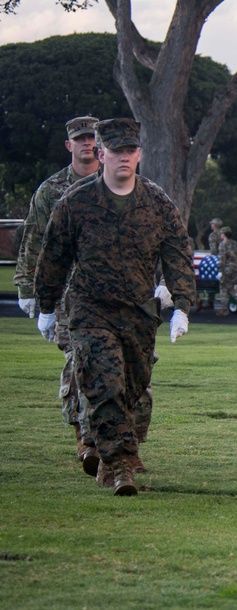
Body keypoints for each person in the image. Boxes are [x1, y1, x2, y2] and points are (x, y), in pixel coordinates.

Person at [34, 117, 195, 496]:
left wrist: (182, 306)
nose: (124, 157)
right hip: (91, 310)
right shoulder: (76, 202)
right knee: (104, 384)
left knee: (133, 390)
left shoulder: (156, 202)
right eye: (116, 151)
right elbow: (53, 256)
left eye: (130, 151)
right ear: (101, 153)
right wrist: (45, 305)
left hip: (139, 313)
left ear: (139, 154)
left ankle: (111, 449)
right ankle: (118, 465)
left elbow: (177, 255)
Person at [13, 116, 107, 474]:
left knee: (111, 365)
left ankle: (106, 440)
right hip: (66, 293)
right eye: (80, 139)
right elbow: (33, 240)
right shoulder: (51, 190)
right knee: (80, 360)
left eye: (92, 139)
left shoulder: (118, 184)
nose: (87, 144)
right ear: (69, 145)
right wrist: (29, 291)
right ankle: (85, 439)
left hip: (109, 291)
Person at [216, 225, 237, 317]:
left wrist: (220, 270)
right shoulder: (235, 244)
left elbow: (222, 258)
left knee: (223, 288)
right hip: (235, 267)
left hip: (227, 268)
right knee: (231, 287)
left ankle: (224, 309)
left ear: (224, 234)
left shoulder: (223, 244)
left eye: (221, 233)